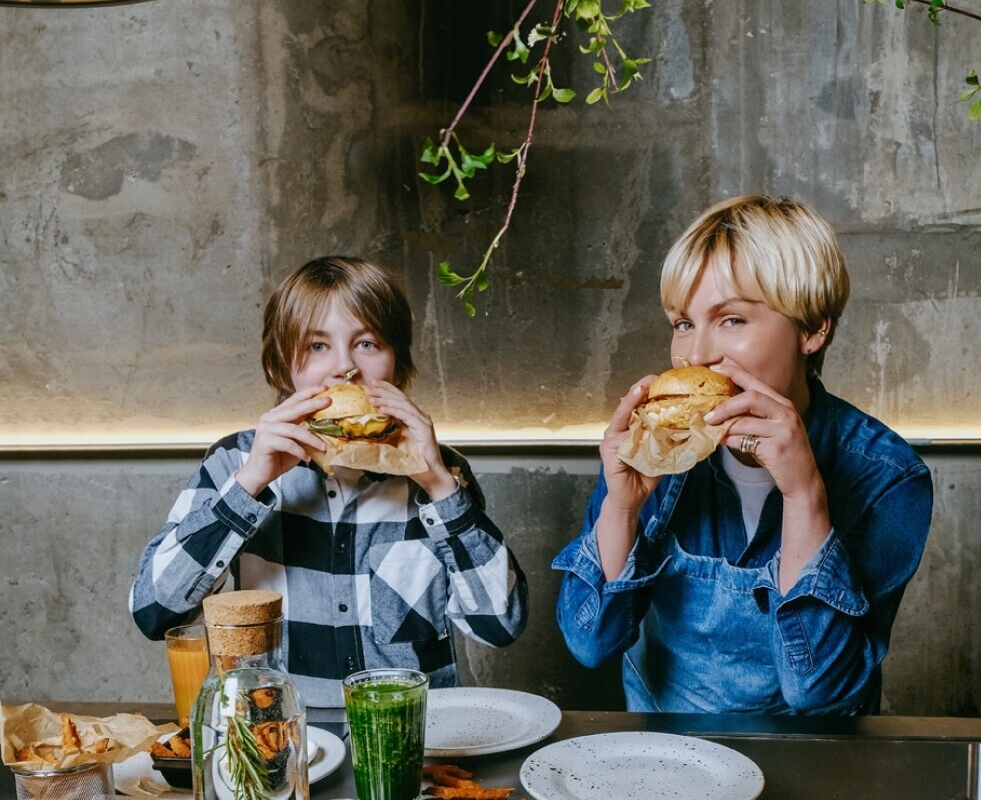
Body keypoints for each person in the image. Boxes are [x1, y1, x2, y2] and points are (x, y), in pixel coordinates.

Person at [554, 196, 932, 715]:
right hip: (665, 756)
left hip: (813, 765)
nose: (696, 354)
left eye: (731, 319)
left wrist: (804, 497)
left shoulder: (886, 475)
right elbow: (590, 645)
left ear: (813, 327)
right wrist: (621, 508)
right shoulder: (657, 447)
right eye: (683, 323)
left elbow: (821, 693)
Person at [132, 257, 528, 709]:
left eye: (366, 343)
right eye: (318, 346)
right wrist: (249, 486)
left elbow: (500, 627)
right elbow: (154, 611)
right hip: (278, 746)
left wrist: (440, 487)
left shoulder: (440, 469)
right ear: (282, 368)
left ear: (398, 366)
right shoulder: (235, 461)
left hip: (415, 743)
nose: (345, 367)